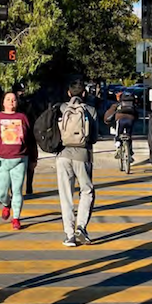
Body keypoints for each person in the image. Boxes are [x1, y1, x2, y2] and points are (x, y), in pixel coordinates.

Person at [57, 78, 98, 247]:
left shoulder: (61, 108)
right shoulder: (90, 110)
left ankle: (69, 234)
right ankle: (81, 226)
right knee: (86, 190)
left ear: (68, 93)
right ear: (84, 94)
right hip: (83, 155)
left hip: (63, 155)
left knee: (66, 195)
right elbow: (94, 137)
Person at [0, 91, 37, 230]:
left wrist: (33, 158)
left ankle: (16, 218)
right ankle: (6, 204)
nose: (11, 102)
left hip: (20, 160)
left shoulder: (22, 118)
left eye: (14, 99)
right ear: (3, 102)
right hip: (1, 161)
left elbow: (31, 140)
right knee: (1, 193)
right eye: (8, 99)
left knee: (17, 191)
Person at [103, 91, 138, 160]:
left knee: (118, 135)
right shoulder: (132, 105)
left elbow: (108, 115)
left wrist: (107, 121)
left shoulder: (116, 105)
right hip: (130, 120)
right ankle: (130, 153)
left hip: (120, 121)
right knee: (129, 136)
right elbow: (137, 114)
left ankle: (118, 146)